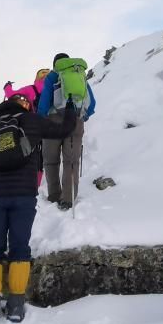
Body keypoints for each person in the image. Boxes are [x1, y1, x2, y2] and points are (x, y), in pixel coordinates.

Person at [0, 93, 73, 322]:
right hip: (24, 195)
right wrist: (72, 109)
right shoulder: (32, 121)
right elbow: (62, 131)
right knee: (19, 247)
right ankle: (16, 302)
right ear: (23, 106)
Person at [37, 53, 97, 210]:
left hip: (52, 121)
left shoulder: (53, 76)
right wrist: (82, 117)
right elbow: (92, 103)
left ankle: (54, 196)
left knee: (51, 161)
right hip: (75, 121)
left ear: (55, 63)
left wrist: (41, 119)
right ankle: (68, 200)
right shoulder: (79, 74)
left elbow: (44, 101)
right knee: (71, 161)